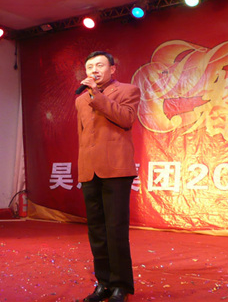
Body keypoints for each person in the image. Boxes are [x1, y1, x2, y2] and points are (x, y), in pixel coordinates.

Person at [75, 51, 141, 302]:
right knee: (96, 231)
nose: (94, 70)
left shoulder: (128, 90)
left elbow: (126, 119)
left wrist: (97, 95)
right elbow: (83, 136)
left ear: (112, 69)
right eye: (90, 66)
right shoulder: (81, 99)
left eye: (100, 65)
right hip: (89, 170)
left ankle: (120, 286)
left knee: (115, 229)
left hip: (116, 169)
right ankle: (103, 283)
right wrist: (82, 168)